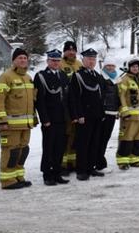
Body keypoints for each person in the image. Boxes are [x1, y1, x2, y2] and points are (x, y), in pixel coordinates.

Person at [0, 48, 37, 190]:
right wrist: (2, 121)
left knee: (23, 151)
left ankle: (18, 176)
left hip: (26, 125)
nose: (23, 60)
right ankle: (7, 180)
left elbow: (32, 101)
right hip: (10, 125)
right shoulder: (5, 77)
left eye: (25, 58)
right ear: (14, 60)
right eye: (20, 58)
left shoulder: (28, 77)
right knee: (10, 151)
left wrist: (34, 118)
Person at [34, 49, 71, 186]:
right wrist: (45, 119)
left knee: (60, 147)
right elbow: (40, 101)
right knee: (49, 147)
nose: (56, 63)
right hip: (50, 118)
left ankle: (57, 172)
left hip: (62, 118)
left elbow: (67, 98)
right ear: (48, 61)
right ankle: (47, 174)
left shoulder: (63, 75)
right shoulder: (41, 76)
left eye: (58, 60)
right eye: (53, 60)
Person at [68, 48, 106, 181]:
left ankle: (91, 167)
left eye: (93, 59)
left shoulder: (97, 75)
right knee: (83, 144)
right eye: (89, 59)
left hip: (96, 115)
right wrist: (78, 115)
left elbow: (101, 97)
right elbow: (74, 98)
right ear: (83, 60)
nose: (92, 61)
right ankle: (81, 170)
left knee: (94, 143)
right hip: (84, 116)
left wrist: (102, 113)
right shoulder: (78, 76)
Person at [116, 56, 139, 170]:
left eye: (137, 66)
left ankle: (135, 159)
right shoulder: (124, 80)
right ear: (128, 68)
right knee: (127, 138)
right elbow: (120, 96)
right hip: (129, 117)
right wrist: (124, 112)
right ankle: (123, 161)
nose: (135, 68)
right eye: (133, 66)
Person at [60, 40, 81, 174]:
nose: (71, 52)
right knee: (66, 136)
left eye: (73, 50)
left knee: (75, 136)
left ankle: (73, 162)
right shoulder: (60, 64)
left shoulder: (79, 64)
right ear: (64, 51)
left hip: (78, 105)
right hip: (65, 106)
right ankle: (63, 165)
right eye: (69, 50)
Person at [96, 57, 121, 171]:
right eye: (108, 66)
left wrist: (118, 110)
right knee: (101, 138)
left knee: (106, 137)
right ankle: (99, 161)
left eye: (112, 66)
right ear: (104, 67)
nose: (110, 68)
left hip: (112, 112)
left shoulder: (117, 78)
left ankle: (100, 159)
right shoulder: (101, 78)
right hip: (104, 112)